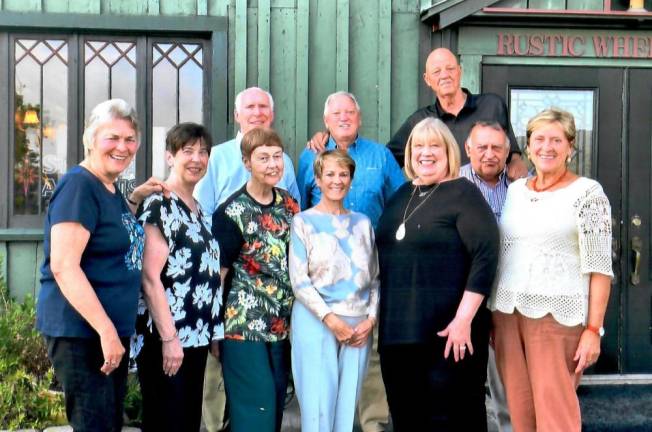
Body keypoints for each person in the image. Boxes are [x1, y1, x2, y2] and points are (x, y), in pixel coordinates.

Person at [488, 107, 613, 432]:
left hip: (557, 318)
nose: (547, 147)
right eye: (539, 139)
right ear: (527, 147)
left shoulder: (587, 193)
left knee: (555, 417)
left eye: (556, 139)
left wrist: (593, 330)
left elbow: (600, 268)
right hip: (506, 316)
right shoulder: (515, 191)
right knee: (519, 414)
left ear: (570, 147)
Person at [375, 117, 499, 431]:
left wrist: (463, 320)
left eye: (434, 145)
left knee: (454, 418)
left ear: (449, 152)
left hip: (449, 335)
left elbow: (485, 256)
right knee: (407, 418)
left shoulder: (463, 193)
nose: (425, 153)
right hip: (398, 335)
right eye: (419, 146)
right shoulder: (400, 196)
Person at [36, 99, 149, 431]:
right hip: (84, 333)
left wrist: (136, 197)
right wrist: (106, 330)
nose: (122, 147)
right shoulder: (78, 186)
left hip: (105, 332)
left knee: (107, 424)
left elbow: (107, 234)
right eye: (112, 137)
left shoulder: (110, 188)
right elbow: (64, 266)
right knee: (95, 425)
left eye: (130, 140)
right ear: (89, 138)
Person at [194, 86, 301, 432]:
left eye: (277, 157)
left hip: (281, 326)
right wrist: (214, 329)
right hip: (242, 327)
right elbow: (219, 274)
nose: (272, 164)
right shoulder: (232, 211)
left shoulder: (289, 206)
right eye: (263, 158)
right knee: (255, 413)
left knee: (271, 415)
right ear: (246, 163)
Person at [298, 90, 400, 432]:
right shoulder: (308, 157)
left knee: (364, 379)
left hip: (364, 290)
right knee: (319, 393)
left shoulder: (380, 157)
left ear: (359, 117)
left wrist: (370, 317)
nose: (344, 117)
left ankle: (372, 426)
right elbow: (297, 204)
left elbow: (401, 202)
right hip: (320, 293)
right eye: (336, 113)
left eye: (350, 112)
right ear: (326, 121)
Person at [132, 123, 222, 432]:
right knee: (166, 422)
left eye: (203, 152)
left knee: (185, 423)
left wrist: (212, 333)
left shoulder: (198, 209)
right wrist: (170, 339)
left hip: (194, 339)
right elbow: (149, 277)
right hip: (165, 340)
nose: (197, 158)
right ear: (170, 157)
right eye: (188, 151)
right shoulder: (159, 205)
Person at [289, 149, 380, 432]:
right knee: (318, 407)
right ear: (317, 179)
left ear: (351, 180)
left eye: (343, 174)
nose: (337, 180)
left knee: (346, 407)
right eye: (329, 174)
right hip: (316, 321)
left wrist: (371, 320)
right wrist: (331, 320)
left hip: (358, 324)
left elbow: (375, 278)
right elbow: (299, 281)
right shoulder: (303, 222)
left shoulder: (363, 223)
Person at [386, 48, 527, 178]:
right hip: (443, 201)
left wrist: (516, 161)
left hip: (489, 198)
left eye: (450, 68)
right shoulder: (420, 121)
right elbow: (386, 162)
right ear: (427, 79)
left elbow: (511, 151)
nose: (445, 75)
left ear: (459, 71)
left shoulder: (492, 105)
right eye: (436, 71)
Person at [460, 121, 512, 431]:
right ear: (468, 149)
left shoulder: (523, 187)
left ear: (508, 152)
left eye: (497, 148)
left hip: (507, 299)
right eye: (482, 147)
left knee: (507, 385)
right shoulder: (453, 184)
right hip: (464, 298)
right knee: (464, 385)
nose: (489, 154)